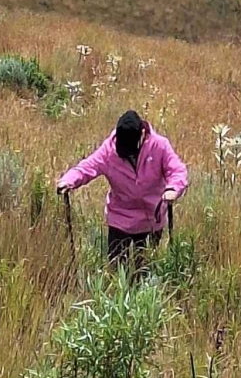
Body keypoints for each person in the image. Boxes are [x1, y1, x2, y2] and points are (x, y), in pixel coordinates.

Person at [58, 110, 188, 263]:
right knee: (117, 270)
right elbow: (88, 167)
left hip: (152, 220)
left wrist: (173, 189)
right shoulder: (109, 150)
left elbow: (177, 170)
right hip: (120, 220)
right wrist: (68, 181)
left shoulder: (159, 146)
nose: (127, 154)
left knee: (145, 271)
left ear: (142, 135)